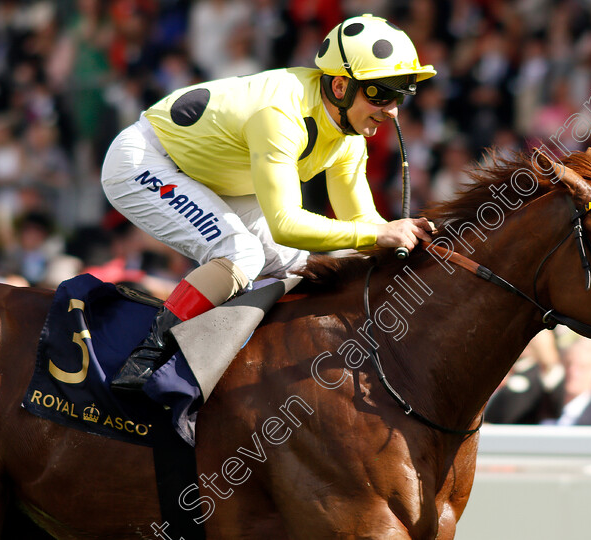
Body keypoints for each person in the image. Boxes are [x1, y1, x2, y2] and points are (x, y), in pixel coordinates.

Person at [102, 14, 436, 391]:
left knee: (296, 266)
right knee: (241, 253)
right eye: (380, 93)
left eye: (400, 96)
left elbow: (363, 225)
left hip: (214, 176)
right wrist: (379, 234)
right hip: (145, 160)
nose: (392, 110)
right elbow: (287, 224)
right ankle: (148, 358)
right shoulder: (281, 115)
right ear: (340, 86)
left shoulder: (350, 138)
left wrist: (410, 250)